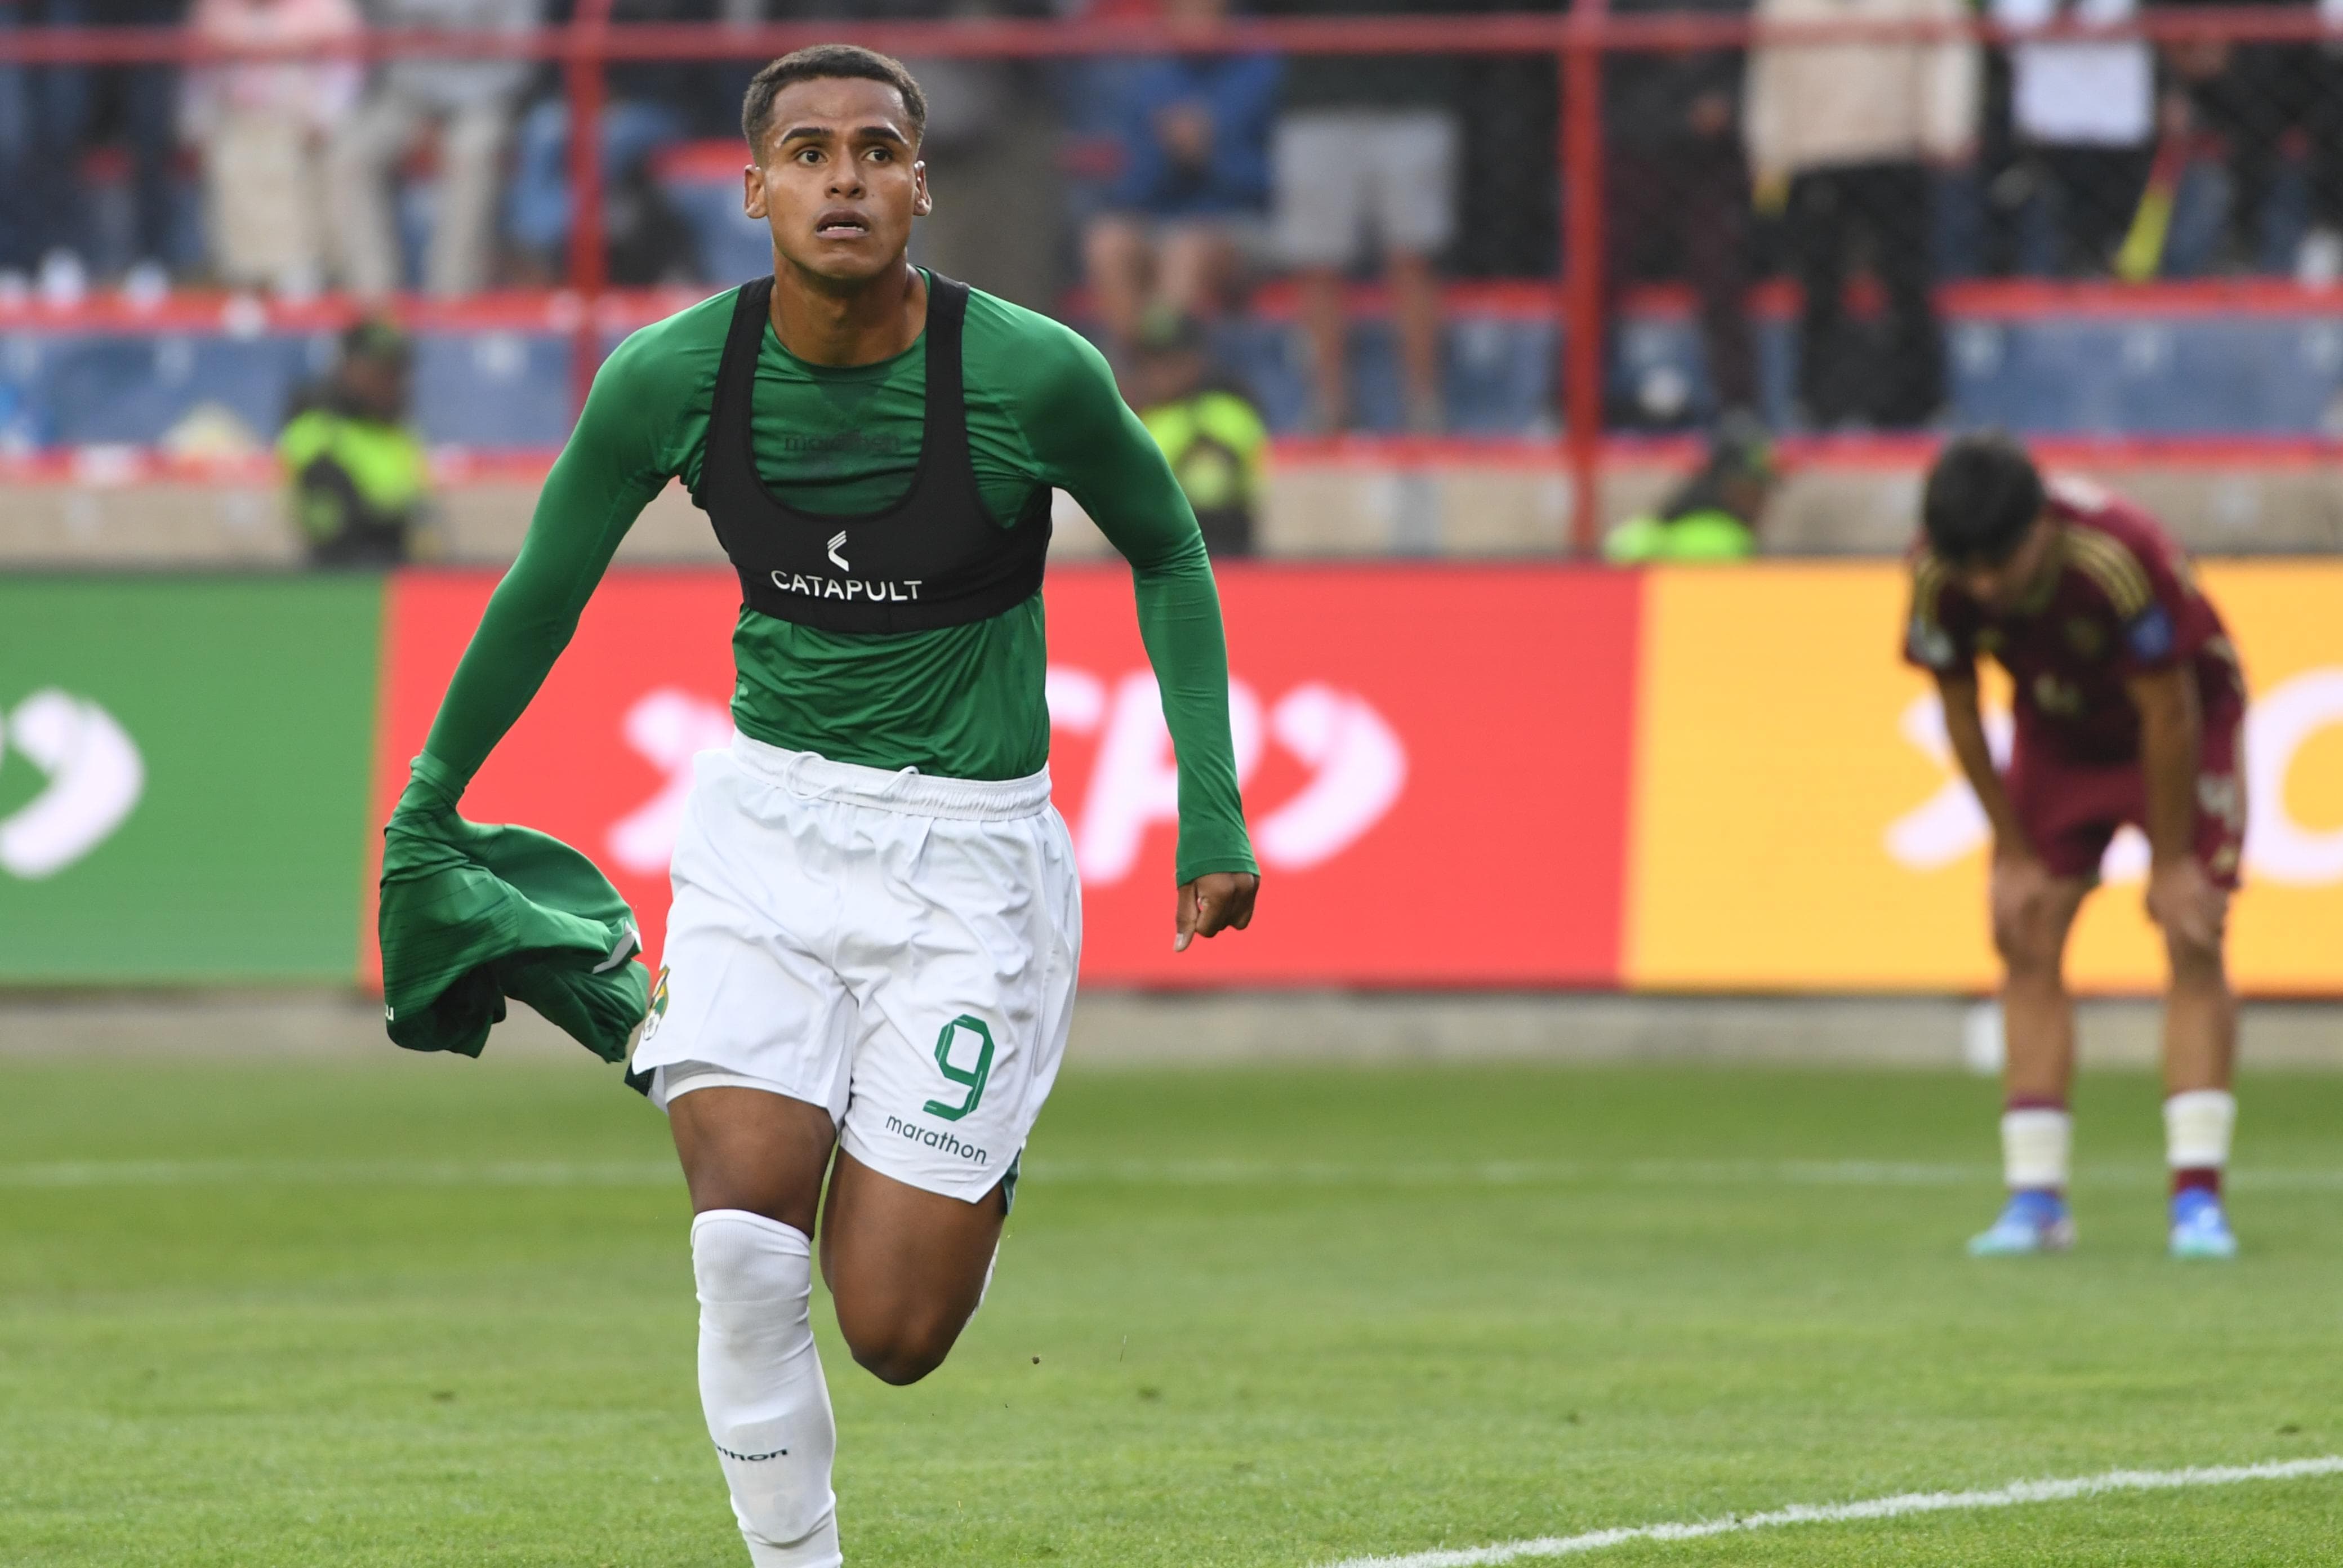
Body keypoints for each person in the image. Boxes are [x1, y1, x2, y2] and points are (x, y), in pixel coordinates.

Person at [378, 44, 1259, 1568]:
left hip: (970, 861)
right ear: (753, 189)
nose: (842, 178)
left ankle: (858, 1104)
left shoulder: (1032, 372)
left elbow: (1170, 547)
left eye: (874, 150)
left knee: (895, 1330)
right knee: (739, 1245)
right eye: (808, 152)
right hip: (767, 832)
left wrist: (1214, 806)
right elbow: (543, 593)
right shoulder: (669, 377)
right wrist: (428, 799)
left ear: (921, 186)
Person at [1903, 434, 2247, 1261]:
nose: (1985, 586)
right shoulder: (1938, 573)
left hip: (2182, 726)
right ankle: (2036, 1202)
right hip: (2058, 729)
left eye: (2000, 564)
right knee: (2025, 930)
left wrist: (2171, 862)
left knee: (2191, 932)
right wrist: (2011, 851)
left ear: (2041, 529)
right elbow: (1959, 707)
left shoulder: (2117, 556)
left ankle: (2196, 1202)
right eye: (1968, 569)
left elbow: (2169, 709)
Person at [1743, 0, 1977, 428]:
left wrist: (1946, 126)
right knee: (1820, 283)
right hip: (1816, 151)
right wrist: (1770, 146)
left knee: (1906, 278)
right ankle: (1817, 404)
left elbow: (1947, 43)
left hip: (1895, 143)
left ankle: (1921, 404)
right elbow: (1771, 67)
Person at [1257, 0, 1462, 433]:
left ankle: (1425, 410)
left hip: (1411, 92)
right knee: (1316, 262)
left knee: (1414, 258)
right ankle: (1328, 410)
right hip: (1319, 96)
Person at [1080, 0, 1281, 351]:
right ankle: (1134, 368)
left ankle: (1163, 369)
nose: (1194, 24)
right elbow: (1132, 190)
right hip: (1163, 219)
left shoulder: (1262, 71)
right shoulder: (1151, 81)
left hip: (1244, 226)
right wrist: (1169, 152)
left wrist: (1212, 154)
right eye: (1184, 13)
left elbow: (1273, 184)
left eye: (1203, 12)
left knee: (1185, 248)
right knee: (1108, 241)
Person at [1603, 0, 1756, 426]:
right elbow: (1602, 35)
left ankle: (1739, 412)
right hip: (1638, 143)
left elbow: (1753, 43)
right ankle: (1567, 405)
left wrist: (1727, 104)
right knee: (1598, 268)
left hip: (1712, 154)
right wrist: (1655, 33)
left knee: (1722, 272)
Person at [328, 0, 540, 297]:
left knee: (473, 151)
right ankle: (375, 301)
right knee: (351, 153)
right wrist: (427, 106)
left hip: (485, 96)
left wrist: (449, 104)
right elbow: (390, 36)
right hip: (409, 94)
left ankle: (452, 298)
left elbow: (519, 61)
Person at [185, 0, 363, 296]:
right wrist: (197, 121)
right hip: (237, 121)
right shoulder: (216, 9)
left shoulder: (328, 9)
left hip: (301, 123)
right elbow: (199, 71)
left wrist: (326, 113)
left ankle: (301, 273)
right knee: (231, 166)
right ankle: (244, 277)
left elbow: (345, 69)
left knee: (299, 175)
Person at [279, 318, 432, 565]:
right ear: (348, 369)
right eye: (380, 372)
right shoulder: (318, 432)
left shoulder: (401, 433)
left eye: (397, 372)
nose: (392, 383)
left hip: (400, 573)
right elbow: (331, 534)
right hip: (345, 578)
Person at [1125, 308, 1267, 557]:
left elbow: (1211, 500)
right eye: (1149, 363)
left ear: (1196, 361)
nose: (1157, 374)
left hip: (1217, 556)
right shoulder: (1143, 417)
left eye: (1171, 362)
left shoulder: (1225, 415)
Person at [1602, 415, 1775, 563]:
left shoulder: (1650, 527)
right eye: (1756, 487)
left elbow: (1617, 548)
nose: (1763, 499)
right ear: (1730, 485)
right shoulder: (1732, 542)